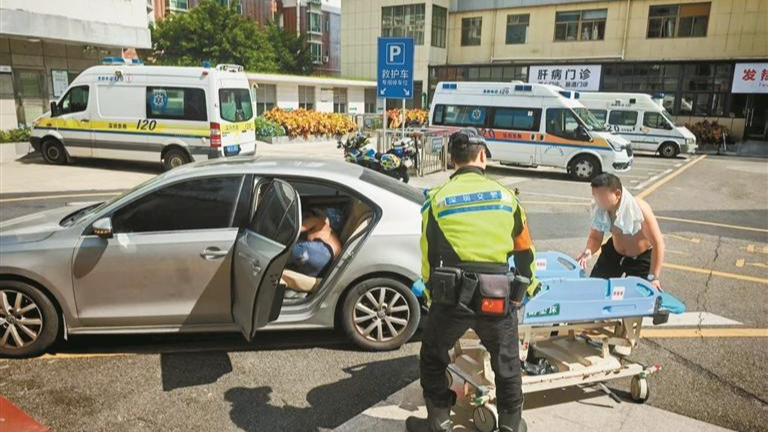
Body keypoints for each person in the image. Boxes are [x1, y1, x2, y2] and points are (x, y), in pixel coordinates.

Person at [406, 131, 536, 432]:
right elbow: (525, 252)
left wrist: (429, 294)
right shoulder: (507, 198)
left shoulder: (436, 200)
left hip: (451, 297)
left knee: (433, 358)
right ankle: (511, 425)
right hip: (497, 295)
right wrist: (524, 289)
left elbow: (428, 255)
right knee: (507, 364)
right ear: (482, 157)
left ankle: (439, 423)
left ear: (452, 160)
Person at [576, 173, 665, 290]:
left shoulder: (639, 208)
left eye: (601, 196)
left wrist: (653, 277)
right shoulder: (599, 209)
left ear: (617, 194)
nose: (597, 200)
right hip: (614, 253)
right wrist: (589, 250)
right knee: (596, 288)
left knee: (638, 295)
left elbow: (658, 243)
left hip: (640, 258)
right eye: (595, 195)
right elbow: (595, 237)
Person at [286, 208, 342, 278]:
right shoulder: (334, 238)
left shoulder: (319, 221)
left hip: (321, 251)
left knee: (285, 250)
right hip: (325, 268)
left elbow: (295, 229)